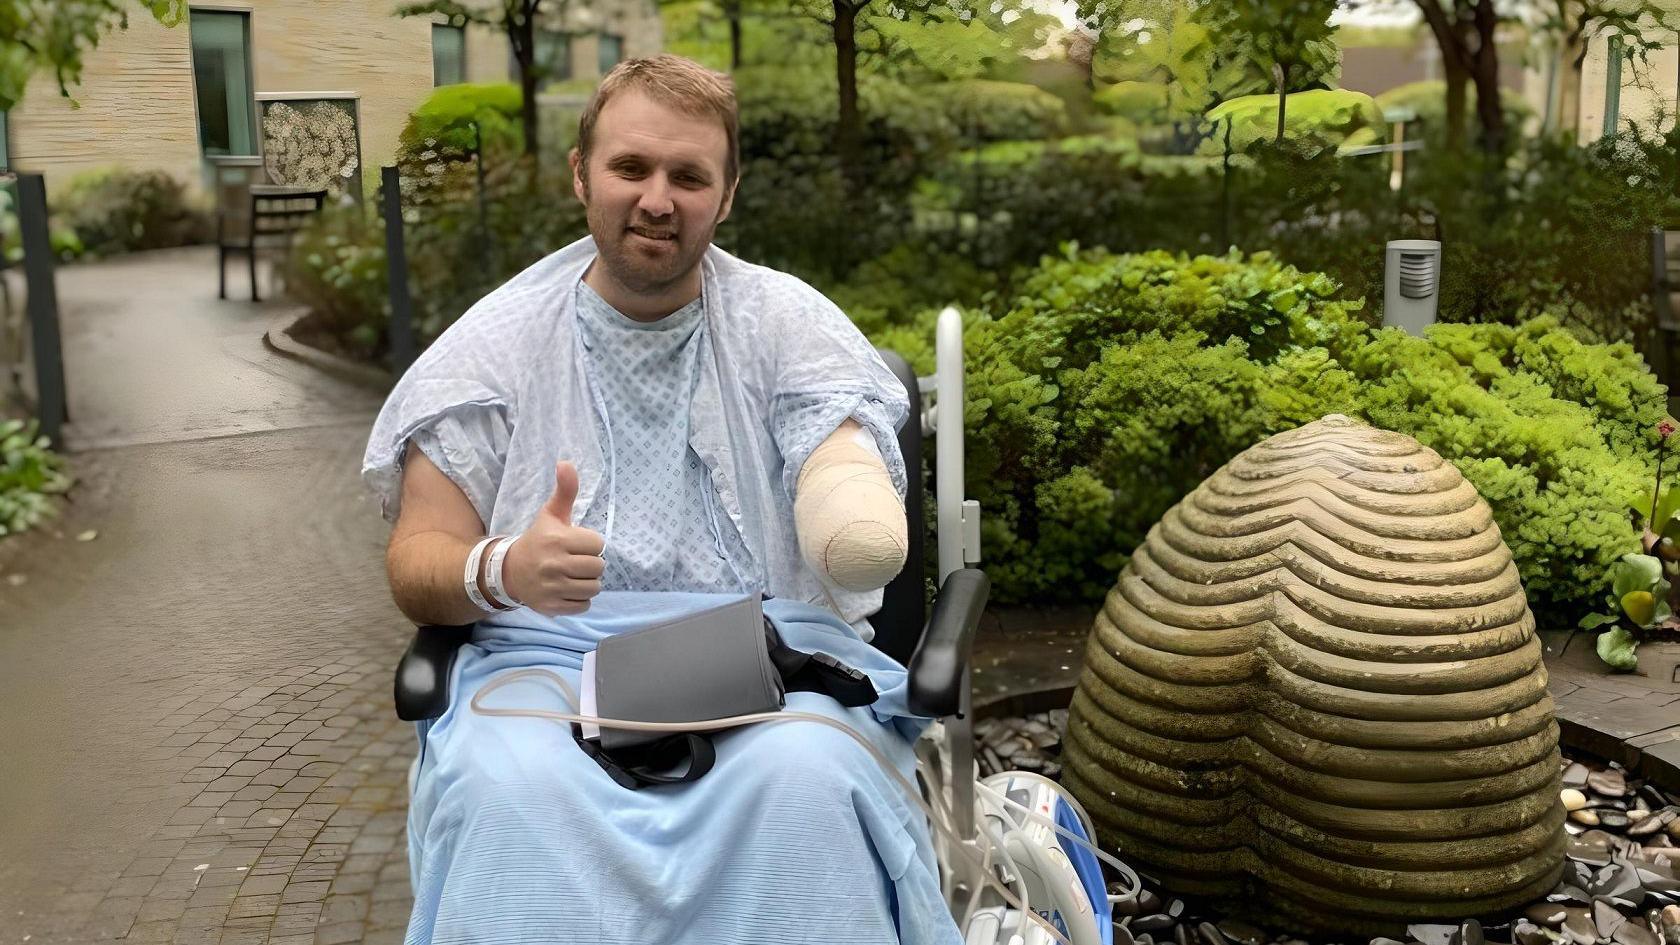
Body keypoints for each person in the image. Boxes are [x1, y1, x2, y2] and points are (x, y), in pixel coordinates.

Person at [361, 55, 964, 944]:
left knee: (806, 780)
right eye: (631, 168)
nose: (657, 199)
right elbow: (417, 561)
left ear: (726, 197)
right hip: (544, 667)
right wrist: (503, 568)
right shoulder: (487, 351)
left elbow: (833, 436)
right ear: (580, 175)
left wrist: (845, 503)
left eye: (689, 176)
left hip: (763, 658)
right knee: (506, 792)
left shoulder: (784, 323)